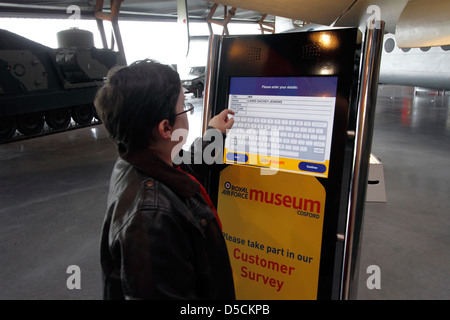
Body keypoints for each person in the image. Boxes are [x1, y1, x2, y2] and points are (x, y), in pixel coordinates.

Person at [95, 59, 236, 299]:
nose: (188, 111)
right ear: (165, 128)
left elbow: (186, 166)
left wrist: (214, 134)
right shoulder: (151, 218)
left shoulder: (136, 158)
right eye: (184, 105)